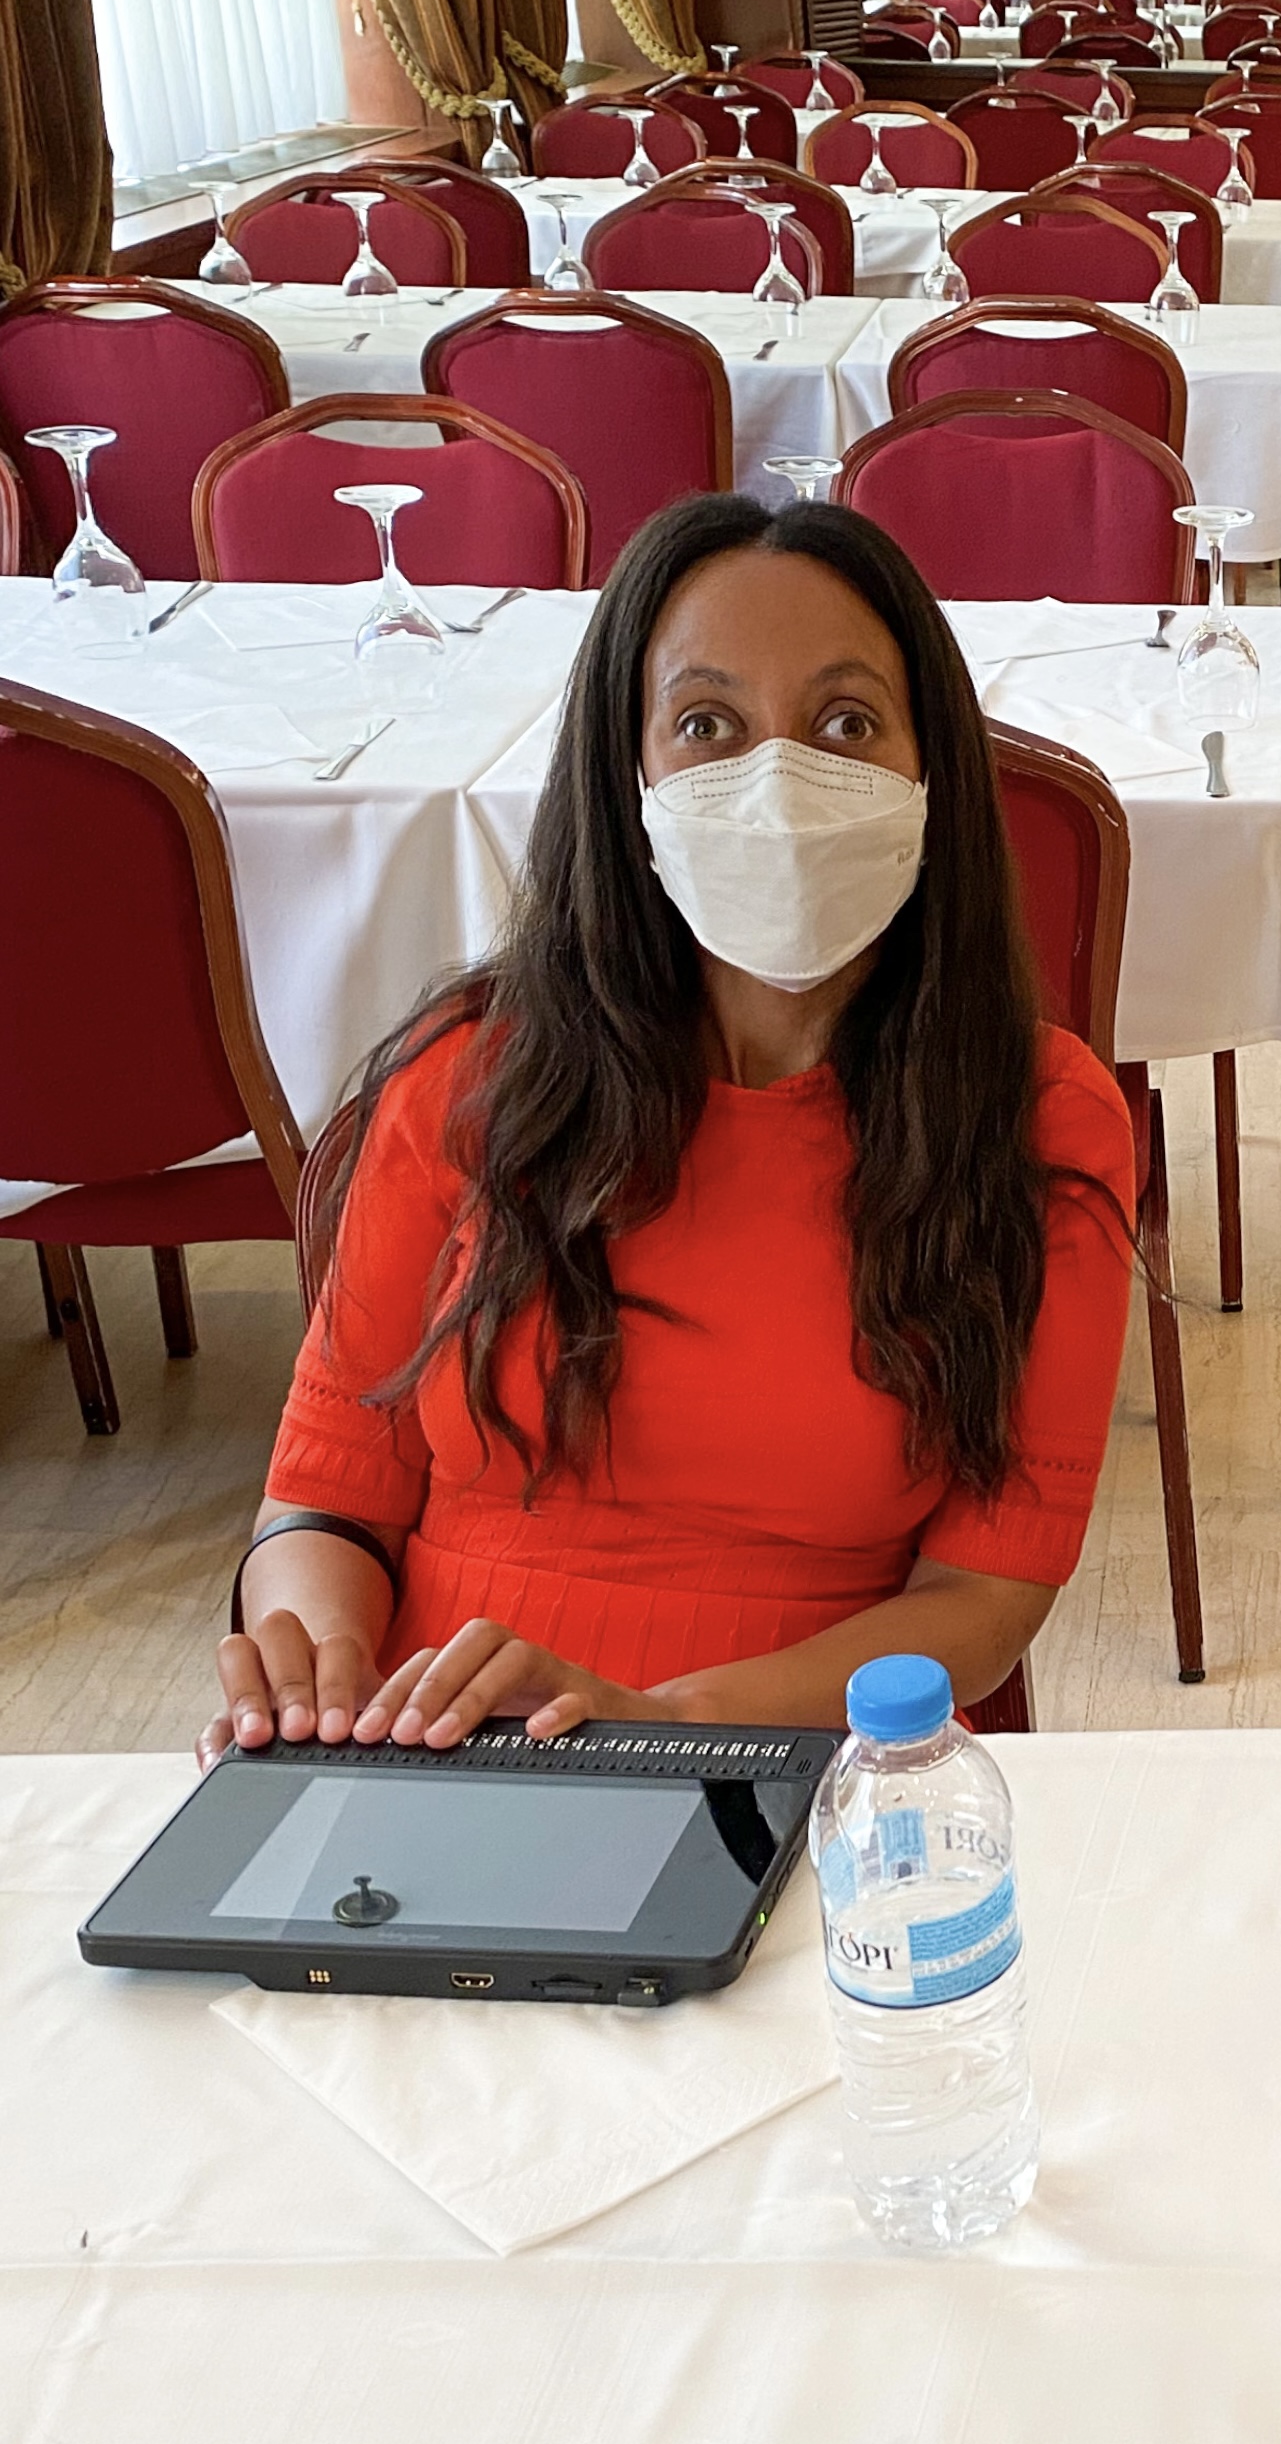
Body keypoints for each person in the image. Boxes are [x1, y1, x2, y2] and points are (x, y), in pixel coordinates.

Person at [207, 496, 1137, 1759]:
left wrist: (652, 1722)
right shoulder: (469, 1075)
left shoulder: (1037, 1119)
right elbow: (325, 1502)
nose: (777, 777)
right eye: (707, 724)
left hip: (805, 1749)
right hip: (432, 1736)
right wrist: (316, 1664)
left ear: (932, 773)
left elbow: (985, 1603)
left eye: (846, 723)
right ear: (626, 774)